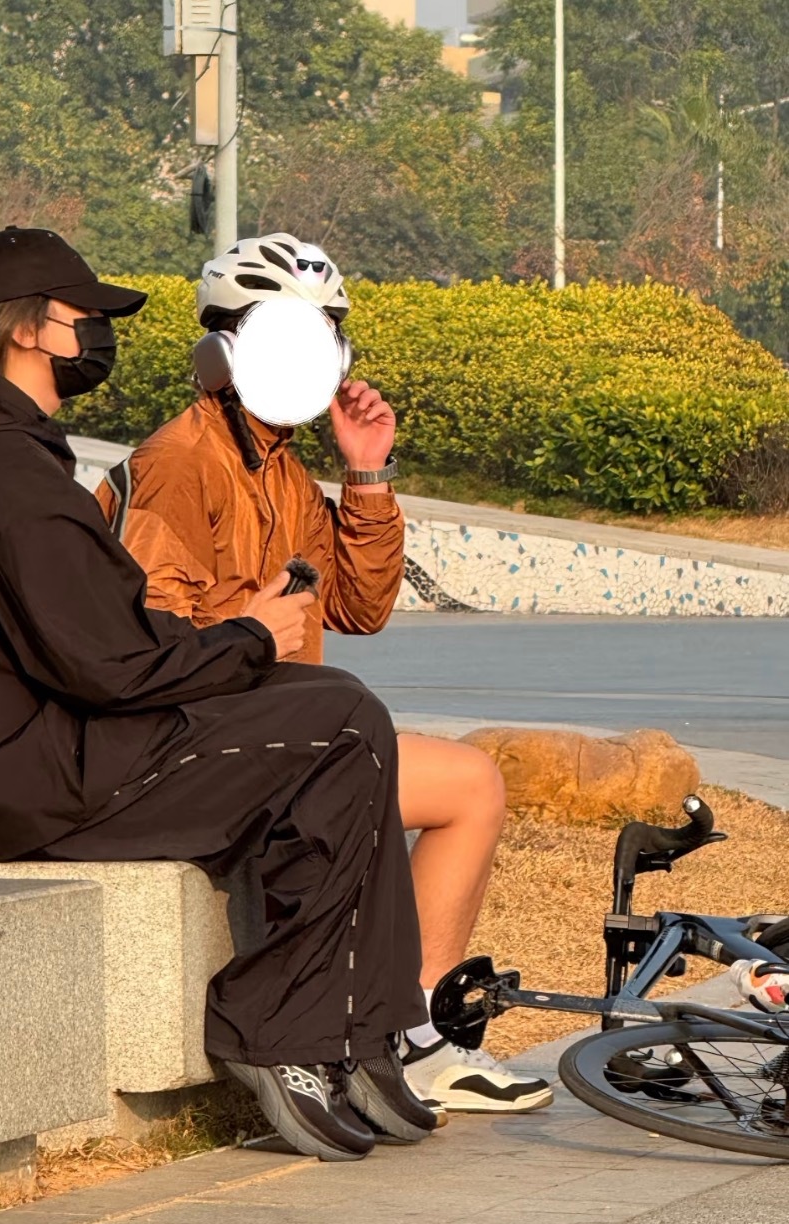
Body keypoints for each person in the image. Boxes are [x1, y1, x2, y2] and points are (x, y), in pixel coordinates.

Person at [0, 226, 437, 1163]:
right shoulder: (7, 469)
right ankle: (282, 1029)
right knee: (342, 722)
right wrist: (252, 637)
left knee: (334, 718)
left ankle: (356, 1026)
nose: (99, 339)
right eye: (88, 320)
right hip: (48, 788)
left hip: (17, 776)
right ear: (33, 331)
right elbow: (114, 663)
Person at [95, 234, 551, 1116]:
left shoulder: (283, 470)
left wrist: (368, 474)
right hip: (200, 745)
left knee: (470, 787)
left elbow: (356, 606)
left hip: (289, 733)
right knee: (448, 775)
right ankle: (401, 1037)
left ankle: (415, 1031)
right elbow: (150, 644)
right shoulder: (178, 469)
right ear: (222, 347)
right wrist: (250, 630)